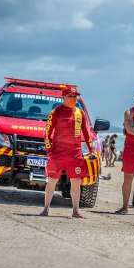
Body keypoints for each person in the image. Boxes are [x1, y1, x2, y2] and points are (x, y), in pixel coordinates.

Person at [40, 86, 95, 218]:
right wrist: (50, 150)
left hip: (75, 154)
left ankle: (76, 210)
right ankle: (46, 209)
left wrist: (91, 149)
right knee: (52, 180)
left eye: (75, 96)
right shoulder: (56, 112)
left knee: (76, 182)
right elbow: (47, 133)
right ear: (63, 97)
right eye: (70, 96)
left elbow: (86, 134)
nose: (73, 98)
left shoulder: (79, 113)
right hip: (58, 152)